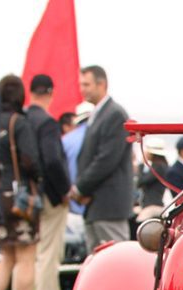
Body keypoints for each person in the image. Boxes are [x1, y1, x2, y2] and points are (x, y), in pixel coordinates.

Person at [0, 74, 40, 290]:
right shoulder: (18, 123)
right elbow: (30, 160)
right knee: (26, 256)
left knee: (5, 257)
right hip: (20, 198)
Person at [70, 64, 133, 250]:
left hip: (108, 205)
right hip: (96, 205)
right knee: (98, 263)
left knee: (117, 260)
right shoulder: (99, 114)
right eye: (81, 85)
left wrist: (80, 188)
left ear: (101, 84)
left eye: (87, 85)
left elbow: (106, 159)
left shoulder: (114, 114)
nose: (82, 90)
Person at [26, 74, 69, 290]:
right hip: (49, 196)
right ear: (50, 93)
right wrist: (64, 191)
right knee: (48, 255)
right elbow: (52, 160)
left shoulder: (21, 120)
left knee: (24, 256)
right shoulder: (46, 123)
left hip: (24, 196)